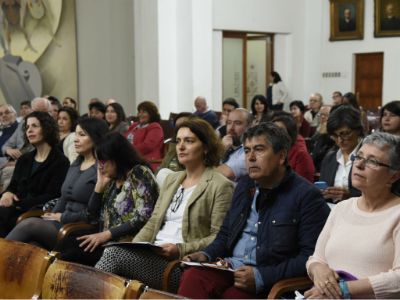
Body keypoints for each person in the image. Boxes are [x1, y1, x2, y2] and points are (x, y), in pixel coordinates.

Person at [178, 122, 330, 298]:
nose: (250, 157)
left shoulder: (306, 196)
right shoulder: (244, 186)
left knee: (234, 296)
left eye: (259, 150)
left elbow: (309, 257)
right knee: (193, 277)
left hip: (268, 276)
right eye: (247, 150)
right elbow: (226, 235)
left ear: (281, 156)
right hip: (231, 267)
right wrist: (206, 254)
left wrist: (262, 276)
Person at [95, 118, 234, 292]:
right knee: (114, 250)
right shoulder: (172, 179)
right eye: (179, 141)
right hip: (153, 253)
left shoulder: (219, 184)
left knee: (113, 256)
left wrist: (180, 249)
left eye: (189, 141)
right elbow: (153, 222)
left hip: (180, 264)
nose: (181, 147)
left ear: (206, 147)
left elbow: (218, 237)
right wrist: (135, 245)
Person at [305, 132, 400, 299]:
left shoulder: (396, 214)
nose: (359, 165)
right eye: (358, 157)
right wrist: (318, 269)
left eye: (372, 161)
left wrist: (343, 290)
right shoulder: (342, 208)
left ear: (394, 176)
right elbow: (316, 259)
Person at [55, 132, 159, 265]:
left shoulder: (139, 173)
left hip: (127, 245)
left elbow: (144, 215)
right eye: (98, 161)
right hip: (105, 241)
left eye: (103, 161)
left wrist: (107, 234)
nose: (99, 166)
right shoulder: (111, 180)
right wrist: (99, 186)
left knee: (70, 253)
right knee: (66, 244)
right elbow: (91, 215)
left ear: (118, 158)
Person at [5, 118, 109, 249]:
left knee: (28, 225)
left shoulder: (102, 170)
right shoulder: (76, 164)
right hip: (61, 222)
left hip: (79, 229)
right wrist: (50, 216)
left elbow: (93, 214)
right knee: (29, 246)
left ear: (96, 137)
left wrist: (62, 217)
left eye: (82, 135)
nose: (76, 139)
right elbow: (63, 198)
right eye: (75, 134)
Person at [0, 111, 70, 237]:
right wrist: (7, 193)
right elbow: (13, 186)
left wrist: (17, 203)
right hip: (14, 208)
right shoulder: (24, 159)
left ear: (47, 129)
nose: (29, 130)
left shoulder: (61, 161)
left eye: (34, 126)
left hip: (35, 212)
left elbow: (52, 196)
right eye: (27, 127)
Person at [320, 105, 363, 204]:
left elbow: (378, 192)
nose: (340, 140)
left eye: (345, 134)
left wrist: (350, 196)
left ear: (358, 130)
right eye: (335, 135)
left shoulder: (369, 157)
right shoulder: (330, 158)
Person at [272, 112, 315, 182]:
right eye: (273, 130)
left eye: (280, 130)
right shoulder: (272, 151)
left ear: (290, 133)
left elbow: (304, 185)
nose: (275, 133)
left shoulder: (301, 155)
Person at [124, 101, 164, 171]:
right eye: (139, 112)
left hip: (146, 161)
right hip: (130, 158)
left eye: (144, 112)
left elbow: (147, 146)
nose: (140, 114)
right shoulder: (134, 125)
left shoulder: (155, 127)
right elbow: (123, 139)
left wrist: (128, 151)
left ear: (152, 114)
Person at [217, 108, 252, 182]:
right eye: (229, 123)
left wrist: (220, 150)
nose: (231, 128)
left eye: (237, 123)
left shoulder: (249, 151)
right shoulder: (226, 145)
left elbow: (225, 173)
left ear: (249, 126)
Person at [309, 105, 336, 173]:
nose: (323, 117)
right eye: (321, 114)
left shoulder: (334, 134)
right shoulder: (317, 131)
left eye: (326, 115)